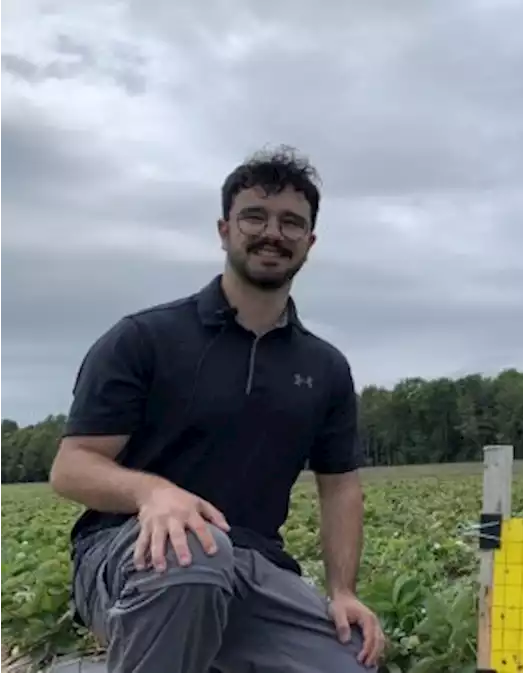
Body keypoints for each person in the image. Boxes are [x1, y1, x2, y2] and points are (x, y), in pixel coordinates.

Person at [49, 146, 386, 672]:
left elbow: (340, 484)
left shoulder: (324, 367)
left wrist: (343, 590)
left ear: (309, 243)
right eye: (254, 215)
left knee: (347, 661)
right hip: (125, 554)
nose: (272, 232)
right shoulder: (144, 339)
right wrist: (152, 492)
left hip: (254, 565)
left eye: (291, 223)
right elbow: (71, 467)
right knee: (194, 557)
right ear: (225, 229)